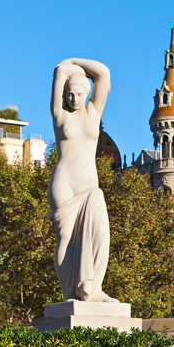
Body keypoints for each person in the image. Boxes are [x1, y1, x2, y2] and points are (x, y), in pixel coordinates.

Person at [48, 58, 118, 303]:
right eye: (70, 94)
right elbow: (59, 72)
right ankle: (69, 293)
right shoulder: (59, 115)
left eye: (79, 94)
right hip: (64, 182)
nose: (74, 99)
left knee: (100, 234)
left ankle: (92, 289)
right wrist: (65, 69)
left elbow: (104, 74)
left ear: (87, 93)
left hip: (89, 186)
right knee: (66, 238)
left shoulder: (93, 112)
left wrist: (75, 62)